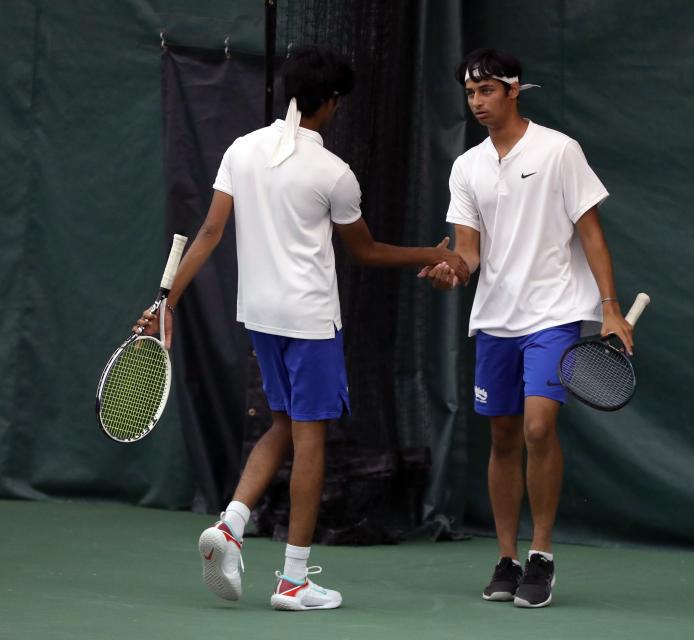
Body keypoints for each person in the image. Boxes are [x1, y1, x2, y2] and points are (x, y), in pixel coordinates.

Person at [136, 46, 469, 612]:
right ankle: (292, 581)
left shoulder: (241, 150)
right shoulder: (333, 173)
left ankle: (232, 523)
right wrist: (440, 255)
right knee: (311, 440)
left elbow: (211, 232)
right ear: (333, 103)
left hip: (261, 316)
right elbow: (364, 252)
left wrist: (169, 301)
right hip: (311, 322)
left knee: (284, 425)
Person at [419, 48, 634, 608]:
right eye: (470, 94)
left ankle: (541, 556)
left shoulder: (559, 151)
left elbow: (591, 234)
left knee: (539, 428)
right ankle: (507, 558)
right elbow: (468, 252)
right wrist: (451, 273)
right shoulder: (466, 167)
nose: (477, 103)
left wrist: (608, 306)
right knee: (503, 436)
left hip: (555, 312)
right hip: (495, 317)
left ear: (514, 90)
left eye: (487, 91)